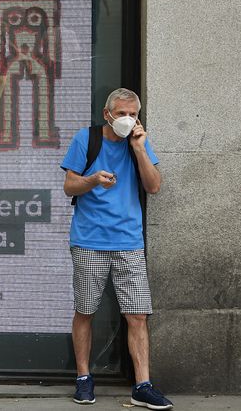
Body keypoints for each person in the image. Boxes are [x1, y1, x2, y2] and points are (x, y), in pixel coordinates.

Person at [60, 88, 170, 409]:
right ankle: (83, 378)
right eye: (121, 113)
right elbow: (69, 184)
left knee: (137, 315)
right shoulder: (87, 139)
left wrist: (138, 149)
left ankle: (143, 385)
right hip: (89, 241)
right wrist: (93, 179)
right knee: (86, 311)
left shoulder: (139, 142)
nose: (127, 119)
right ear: (107, 113)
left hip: (129, 242)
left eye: (132, 114)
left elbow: (154, 186)